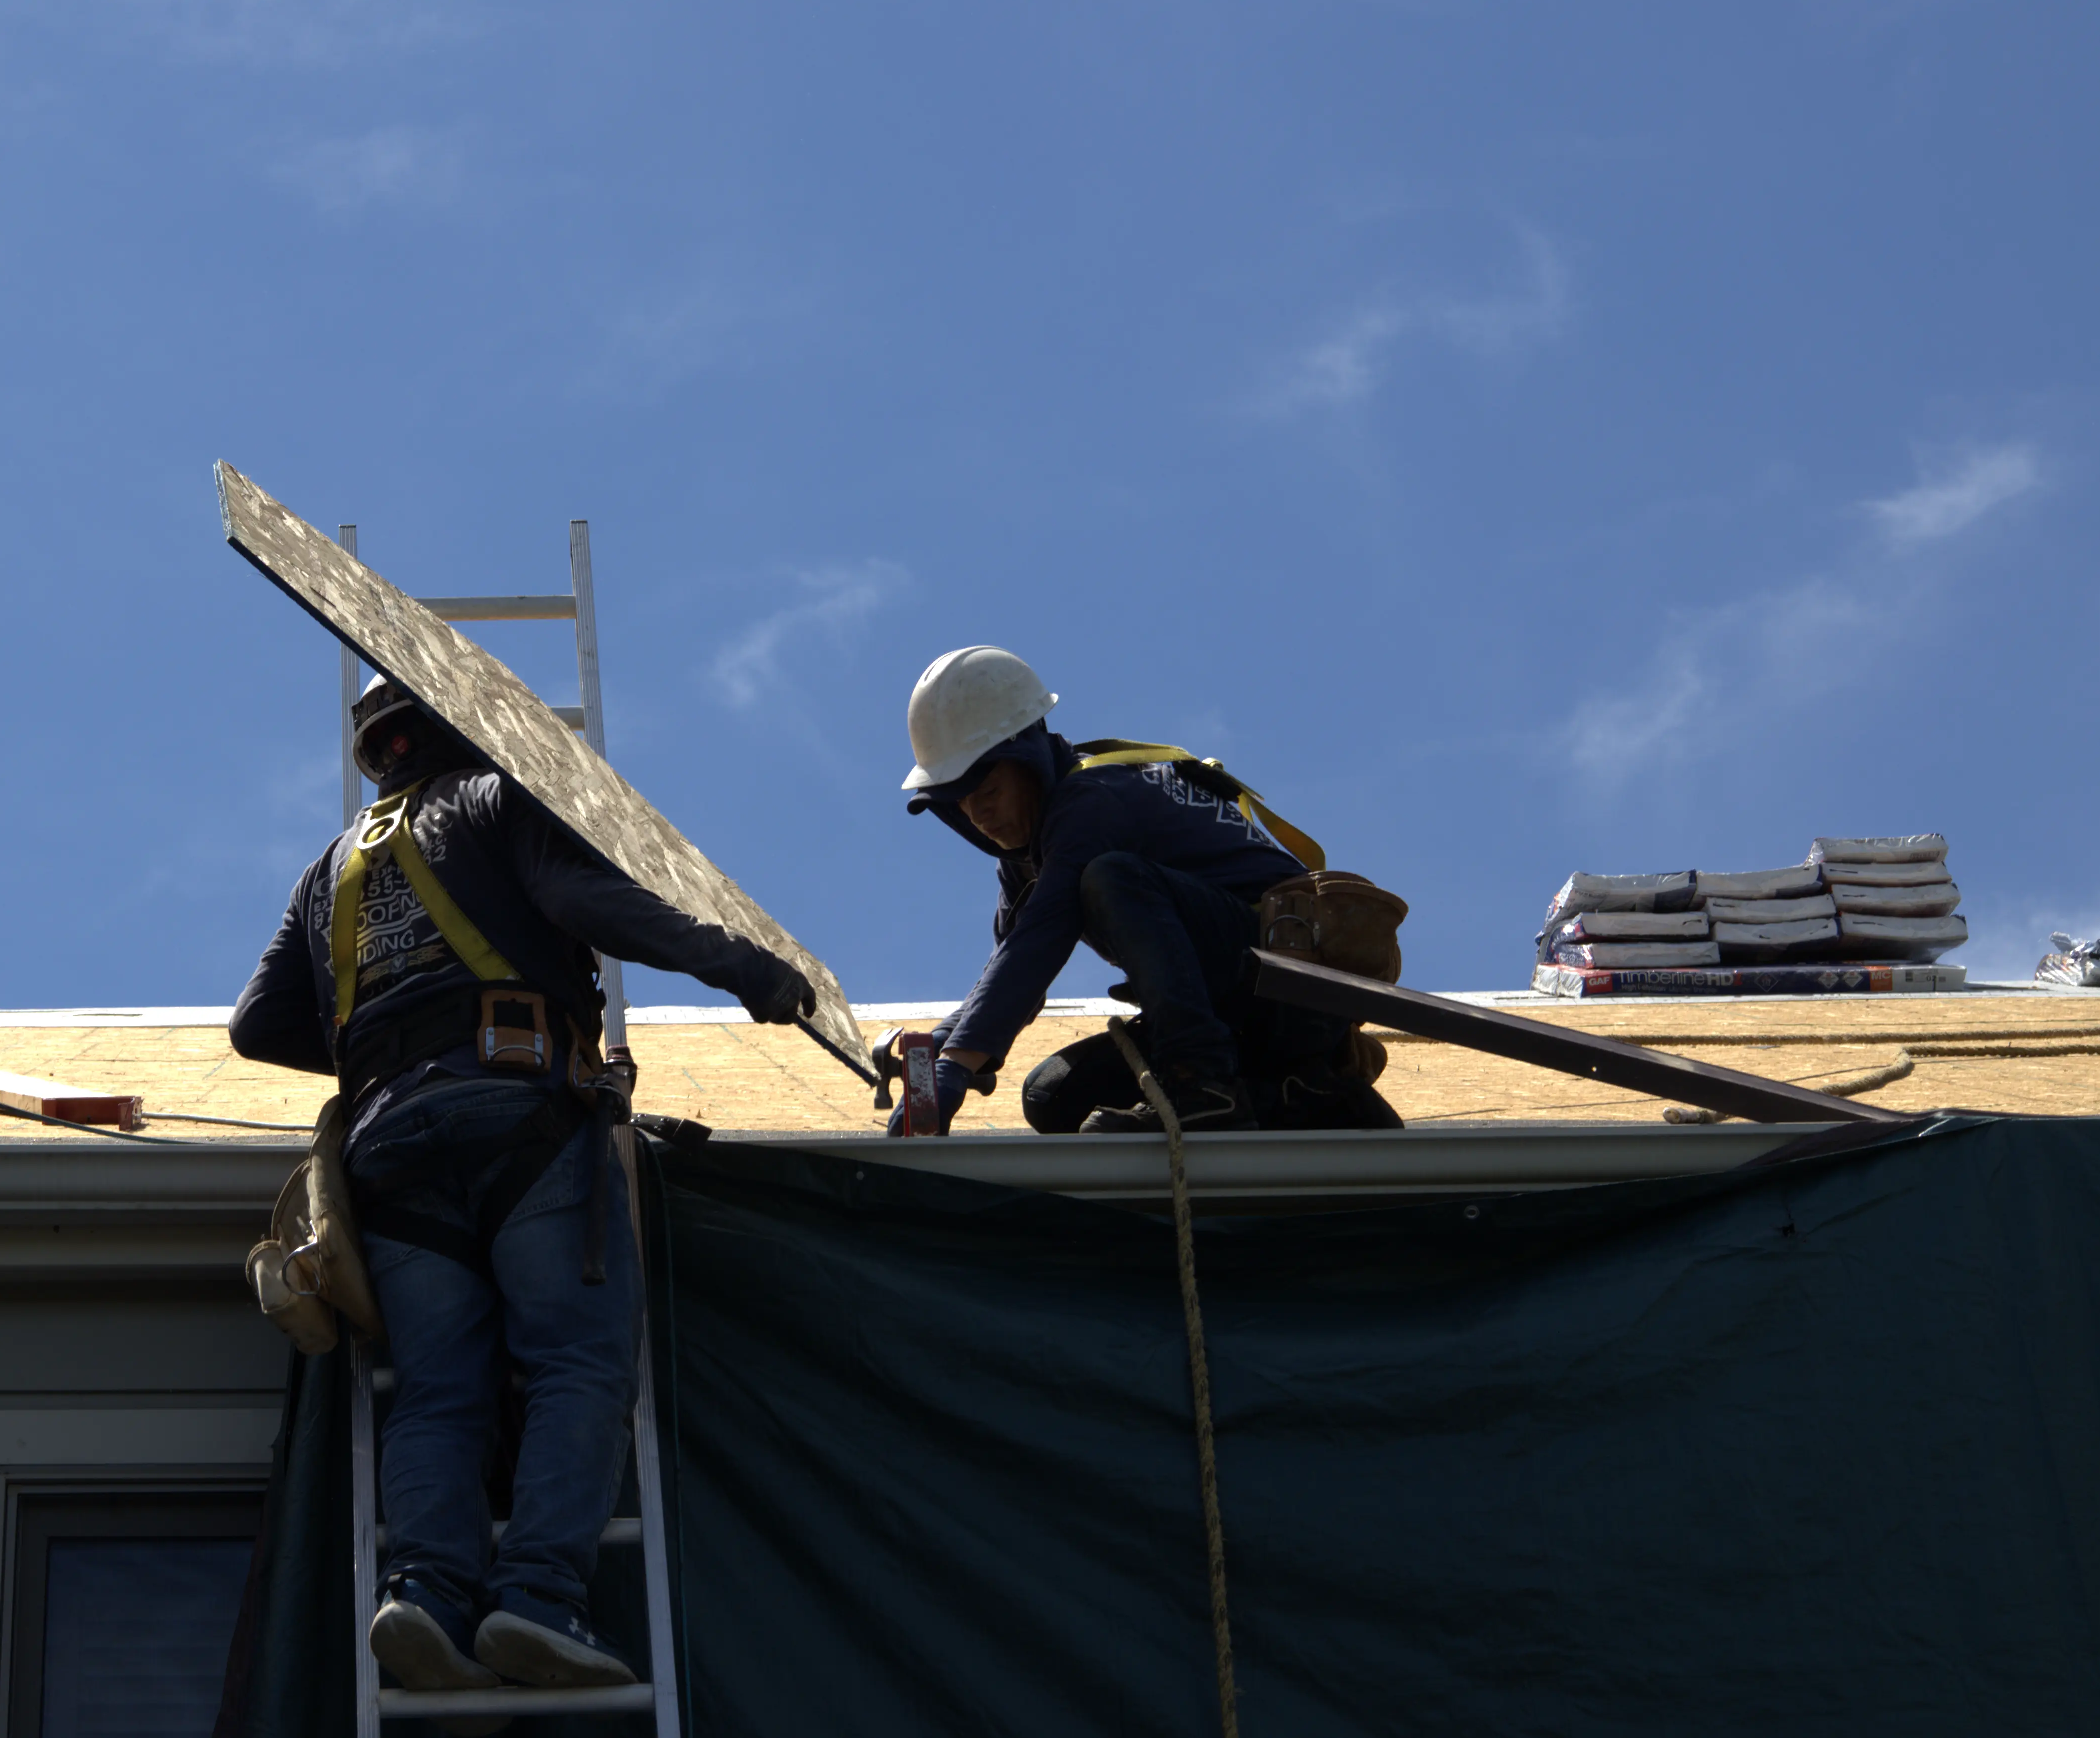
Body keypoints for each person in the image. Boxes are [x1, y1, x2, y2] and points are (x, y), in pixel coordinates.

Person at [231, 677, 816, 1698]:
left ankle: (421, 1590)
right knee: (576, 1362)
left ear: (374, 750)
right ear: (460, 730)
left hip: (384, 1144)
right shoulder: (496, 799)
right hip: (517, 1106)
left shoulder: (326, 874)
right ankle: (538, 1598)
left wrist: (374, 1038)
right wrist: (741, 966)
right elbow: (592, 902)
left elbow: (254, 1025)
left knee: (437, 1388)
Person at [892, 645, 1391, 1138]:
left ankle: (1203, 1088)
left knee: (1113, 876)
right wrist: (938, 1049)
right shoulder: (1025, 854)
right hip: (1230, 1015)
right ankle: (1296, 1094)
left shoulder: (1092, 801)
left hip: (1290, 995)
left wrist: (954, 1068)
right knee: (1051, 1097)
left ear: (1027, 758)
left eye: (988, 792)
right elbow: (1011, 972)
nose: (977, 815)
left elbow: (1038, 945)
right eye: (959, 803)